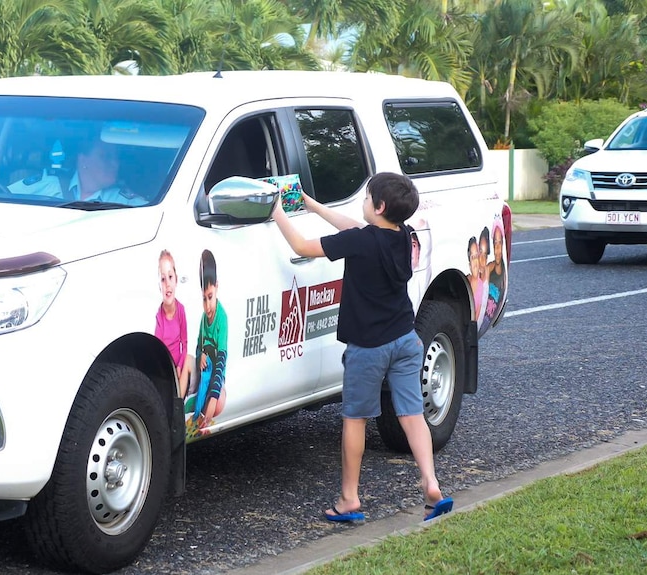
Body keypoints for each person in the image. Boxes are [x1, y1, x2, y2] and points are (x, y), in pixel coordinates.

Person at [272, 172, 453, 523]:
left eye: (367, 197)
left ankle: (349, 498)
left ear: (380, 206)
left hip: (368, 348)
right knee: (412, 416)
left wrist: (277, 211)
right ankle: (431, 483)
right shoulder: (403, 236)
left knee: (355, 418)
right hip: (405, 339)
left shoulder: (360, 242)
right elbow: (356, 228)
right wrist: (310, 205)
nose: (363, 201)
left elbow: (302, 247)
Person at [0, 136, 144, 206]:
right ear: (83, 160)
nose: (115, 163)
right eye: (106, 156)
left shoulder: (125, 201)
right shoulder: (49, 184)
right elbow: (2, 194)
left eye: (116, 157)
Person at [183, 249, 228, 430]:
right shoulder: (204, 317)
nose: (208, 306)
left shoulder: (221, 318)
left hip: (214, 371)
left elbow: (221, 360)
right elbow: (198, 344)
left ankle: (200, 414)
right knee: (191, 370)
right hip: (203, 368)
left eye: (210, 297)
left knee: (214, 400)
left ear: (216, 287)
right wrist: (200, 354)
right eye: (204, 299)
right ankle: (186, 410)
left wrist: (215, 393)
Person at [154, 250, 189, 391]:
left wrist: (180, 365)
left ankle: (179, 406)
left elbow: (184, 343)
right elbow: (157, 350)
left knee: (187, 363)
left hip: (179, 365)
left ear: (176, 280)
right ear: (159, 285)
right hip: (165, 367)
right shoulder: (159, 316)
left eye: (170, 277)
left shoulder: (180, 310)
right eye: (163, 279)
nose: (167, 284)